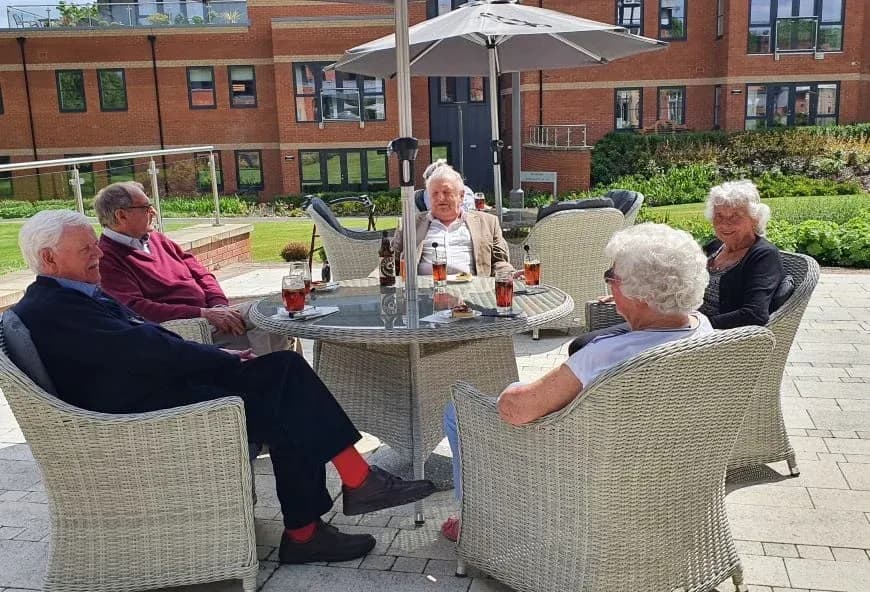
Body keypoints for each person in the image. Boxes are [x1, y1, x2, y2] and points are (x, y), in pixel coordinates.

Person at [13, 210, 437, 564]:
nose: (97, 253)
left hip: (144, 391)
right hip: (138, 417)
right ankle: (342, 494)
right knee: (285, 378)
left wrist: (214, 359)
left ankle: (315, 525)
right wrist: (221, 359)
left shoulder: (71, 295)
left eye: (94, 244)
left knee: (285, 392)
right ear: (49, 258)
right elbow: (140, 351)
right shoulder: (54, 308)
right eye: (85, 247)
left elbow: (139, 346)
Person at [441, 223, 714, 540]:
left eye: (612, 279)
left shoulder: (605, 357)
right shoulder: (702, 328)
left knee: (457, 411)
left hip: (585, 471)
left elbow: (515, 410)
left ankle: (476, 520)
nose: (610, 286)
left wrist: (509, 391)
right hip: (664, 470)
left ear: (641, 295)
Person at [567, 179, 785, 355]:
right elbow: (671, 280)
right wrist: (629, 292)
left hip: (706, 339)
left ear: (754, 219)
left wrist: (700, 325)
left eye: (735, 216)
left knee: (587, 348)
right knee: (583, 344)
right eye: (719, 216)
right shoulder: (717, 247)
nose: (725, 223)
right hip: (671, 322)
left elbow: (754, 315)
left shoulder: (764, 255)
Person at [94, 181, 288, 355]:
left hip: (211, 314)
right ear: (121, 215)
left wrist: (218, 305)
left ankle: (273, 378)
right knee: (267, 317)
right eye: (146, 207)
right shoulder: (107, 258)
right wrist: (202, 314)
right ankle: (271, 379)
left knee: (273, 311)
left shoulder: (158, 240)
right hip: (186, 328)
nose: (153, 212)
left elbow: (202, 274)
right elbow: (137, 309)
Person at [394, 164, 512, 277]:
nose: (440, 198)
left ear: (461, 196)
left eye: (446, 192)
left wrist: (510, 274)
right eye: (435, 193)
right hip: (422, 292)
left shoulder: (488, 223)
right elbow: (390, 262)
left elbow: (500, 262)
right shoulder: (410, 224)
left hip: (472, 292)